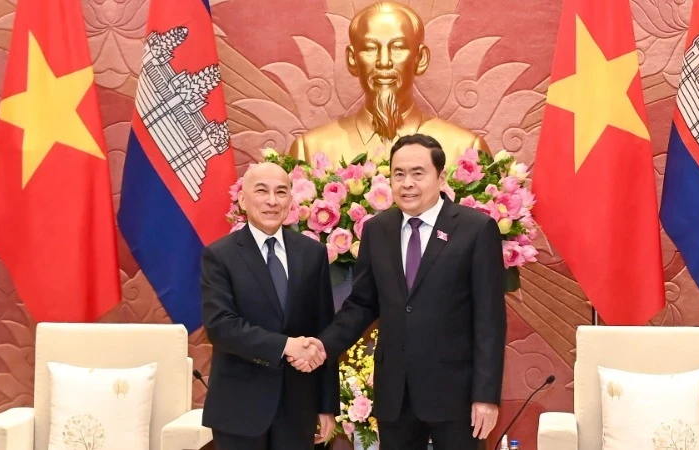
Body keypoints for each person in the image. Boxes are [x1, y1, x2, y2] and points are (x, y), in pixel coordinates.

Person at [293, 134, 506, 450]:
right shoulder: (378, 230)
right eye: (399, 174)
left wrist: (486, 396)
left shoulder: (475, 229)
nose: (407, 183)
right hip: (396, 394)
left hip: (456, 395)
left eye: (418, 173)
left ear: (441, 177)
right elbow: (362, 304)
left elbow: (490, 319)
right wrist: (322, 346)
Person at [200, 162, 339, 450]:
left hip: (297, 408)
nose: (272, 201)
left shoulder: (312, 253)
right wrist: (285, 346)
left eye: (281, 192)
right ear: (243, 198)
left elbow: (324, 329)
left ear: (291, 200)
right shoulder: (220, 255)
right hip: (239, 408)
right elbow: (221, 326)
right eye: (262, 191)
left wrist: (327, 404)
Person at [289, 1, 490, 164]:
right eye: (369, 48)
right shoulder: (309, 151)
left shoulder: (466, 150)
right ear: (352, 59)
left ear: (420, 59)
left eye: (398, 48)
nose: (384, 62)